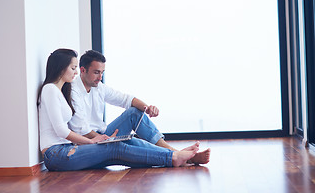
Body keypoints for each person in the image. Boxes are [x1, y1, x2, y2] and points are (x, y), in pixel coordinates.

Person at [38, 48, 200, 171]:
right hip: (57, 153)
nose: (74, 72)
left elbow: (125, 99)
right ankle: (174, 157)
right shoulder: (52, 89)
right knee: (116, 147)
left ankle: (174, 156)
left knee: (128, 143)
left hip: (68, 149)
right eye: (73, 68)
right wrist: (92, 141)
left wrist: (147, 107)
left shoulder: (60, 90)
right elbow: (61, 130)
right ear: (62, 68)